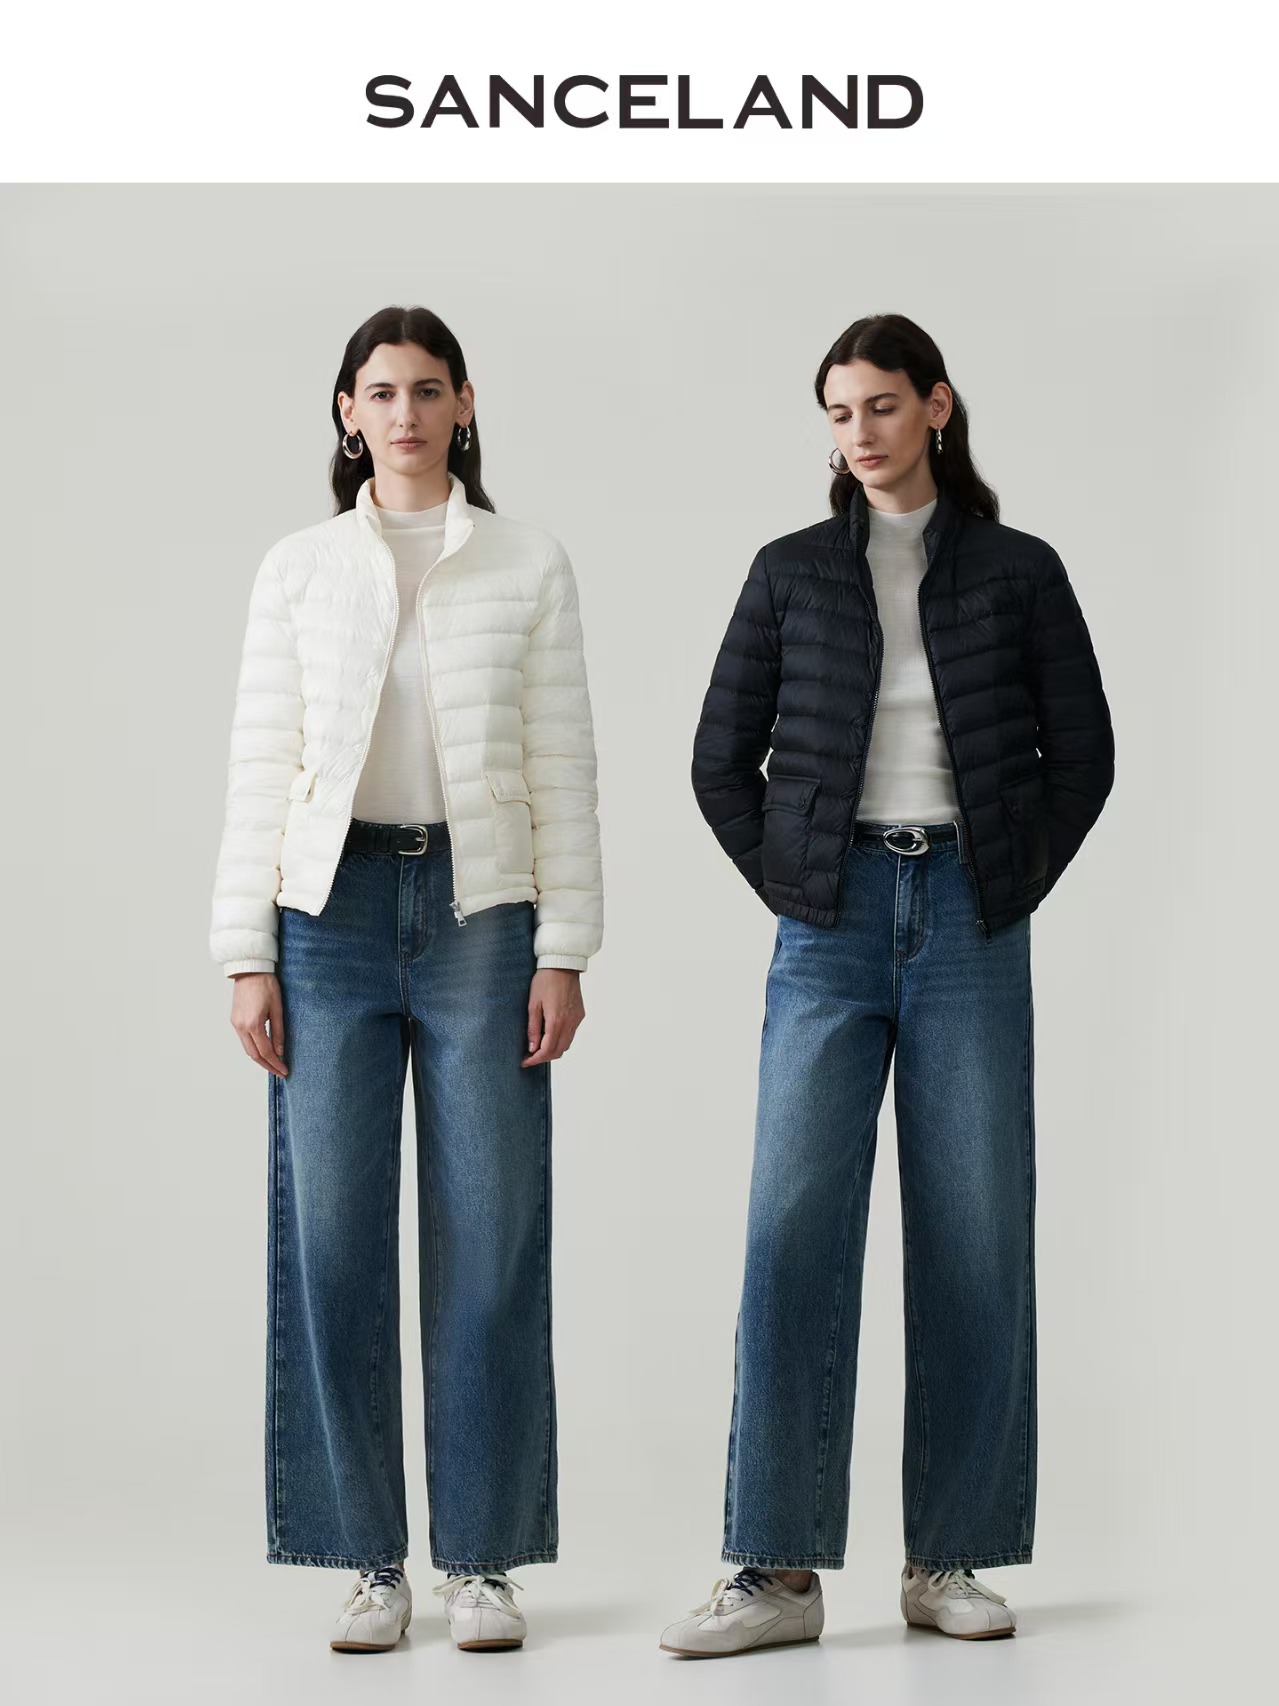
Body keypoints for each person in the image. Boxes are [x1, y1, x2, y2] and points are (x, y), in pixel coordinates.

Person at [660, 312, 1114, 1657]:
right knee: (791, 1230)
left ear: (937, 406)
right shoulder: (791, 573)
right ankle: (776, 1571)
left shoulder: (1019, 571)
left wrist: (1006, 880)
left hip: (972, 916)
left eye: (880, 406)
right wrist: (802, 883)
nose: (858, 433)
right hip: (830, 923)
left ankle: (946, 1556)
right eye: (839, 412)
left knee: (975, 1228)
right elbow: (717, 760)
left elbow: (1085, 753)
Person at [209, 304, 603, 1654]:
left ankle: (481, 1560)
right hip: (325, 916)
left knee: (490, 1232)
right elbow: (262, 763)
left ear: (465, 403)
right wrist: (246, 951)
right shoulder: (299, 567)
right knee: (331, 1238)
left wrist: (565, 945)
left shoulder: (527, 562)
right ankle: (369, 1559)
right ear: (347, 412)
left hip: (483, 912)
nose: (405, 413)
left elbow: (563, 761)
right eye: (380, 392)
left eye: (428, 390)